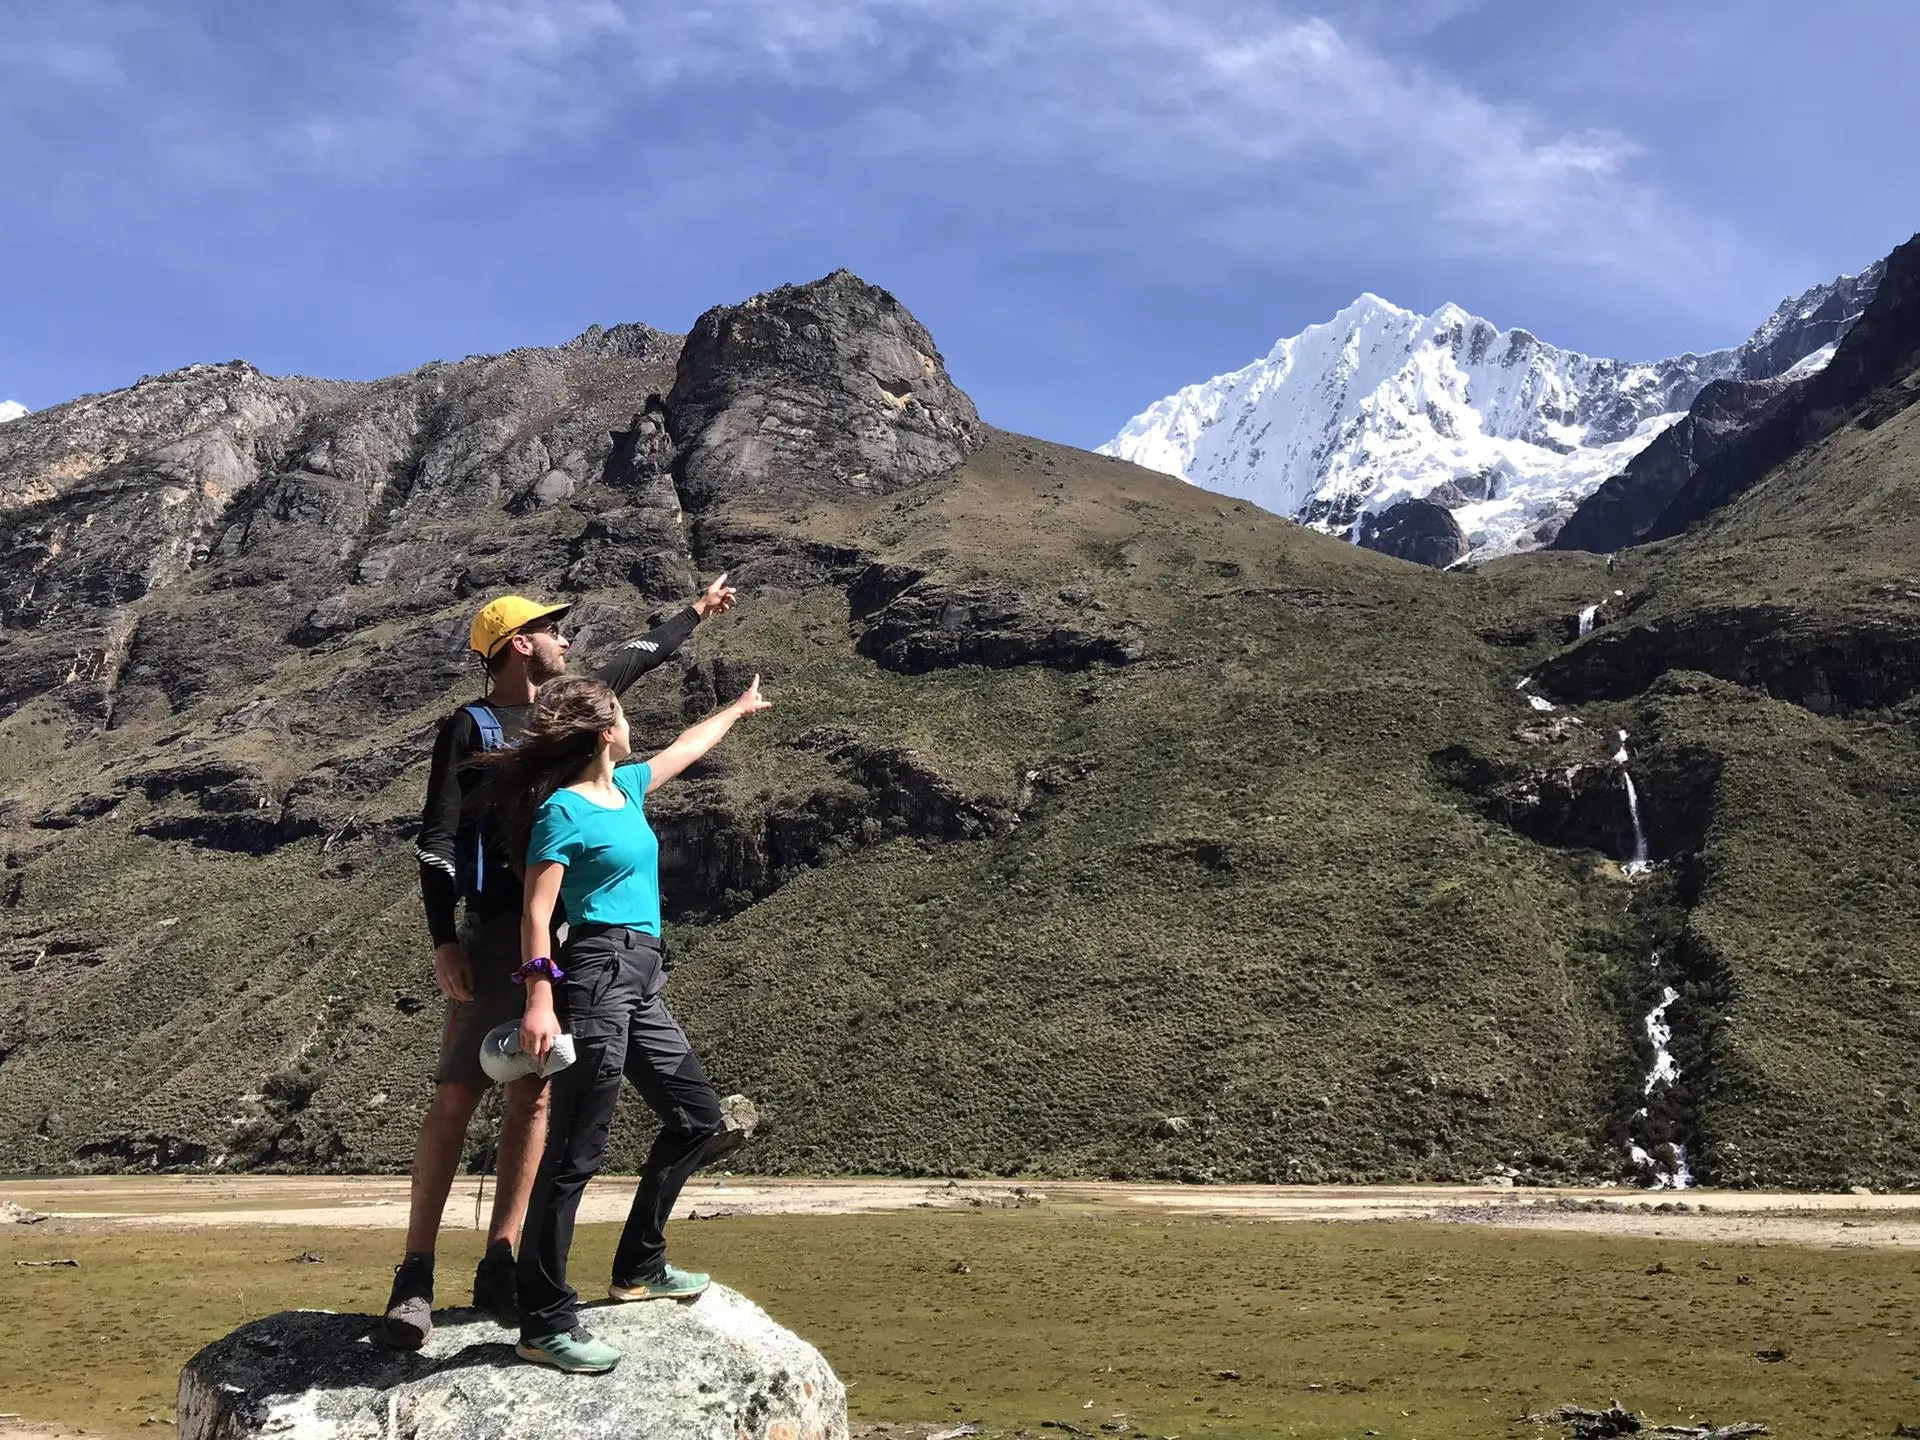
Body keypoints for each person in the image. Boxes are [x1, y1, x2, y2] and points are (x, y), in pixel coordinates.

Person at [382, 575, 738, 1351]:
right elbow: (437, 840)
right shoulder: (473, 727)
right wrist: (444, 937)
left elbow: (640, 659)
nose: (567, 641)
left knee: (536, 1101)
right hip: (499, 929)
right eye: (554, 630)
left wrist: (696, 614)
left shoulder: (574, 710)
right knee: (457, 1093)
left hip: (573, 940)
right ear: (519, 643)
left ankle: (502, 1262)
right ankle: (413, 1275)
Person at [475, 670, 771, 1373]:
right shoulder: (563, 812)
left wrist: (735, 709)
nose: (635, 728)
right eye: (627, 718)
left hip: (642, 975)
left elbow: (687, 749)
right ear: (607, 730)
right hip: (595, 973)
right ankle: (544, 1321)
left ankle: (639, 1265)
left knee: (698, 1118)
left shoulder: (628, 789)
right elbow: (538, 915)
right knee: (576, 1150)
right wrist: (541, 999)